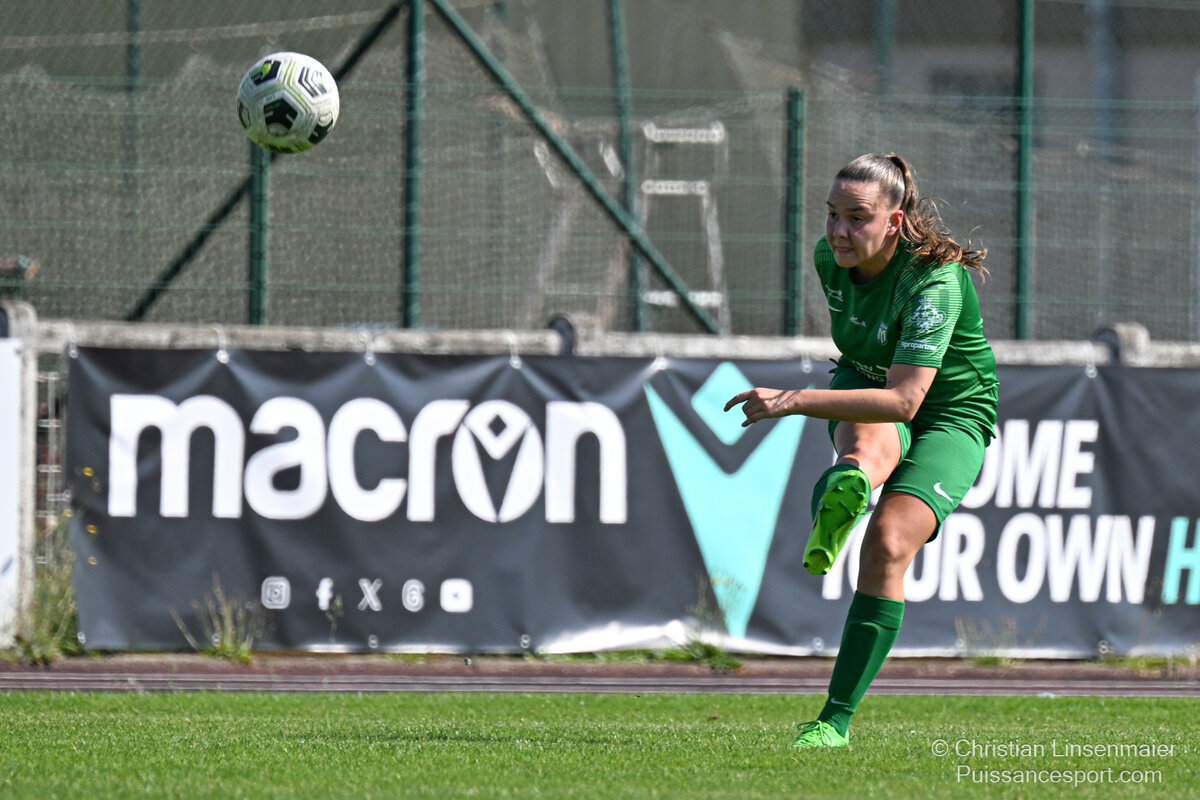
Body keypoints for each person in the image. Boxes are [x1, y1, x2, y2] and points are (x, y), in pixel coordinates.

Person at [725, 153, 998, 749]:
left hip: (950, 414)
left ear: (895, 222)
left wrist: (794, 400)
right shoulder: (830, 258)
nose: (839, 232)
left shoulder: (934, 281)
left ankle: (834, 720)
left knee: (889, 543)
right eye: (832, 215)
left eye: (857, 218)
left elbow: (905, 401)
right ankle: (843, 493)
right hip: (865, 379)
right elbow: (878, 376)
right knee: (862, 463)